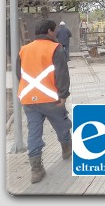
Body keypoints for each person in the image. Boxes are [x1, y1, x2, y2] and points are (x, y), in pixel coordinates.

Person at [16, 19, 72, 184]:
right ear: (49, 31)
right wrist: (63, 95)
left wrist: (28, 90)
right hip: (51, 98)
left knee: (34, 132)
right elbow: (62, 73)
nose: (55, 34)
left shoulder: (23, 50)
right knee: (61, 124)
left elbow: (20, 74)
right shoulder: (55, 48)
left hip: (28, 99)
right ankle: (67, 149)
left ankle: (36, 170)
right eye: (53, 31)